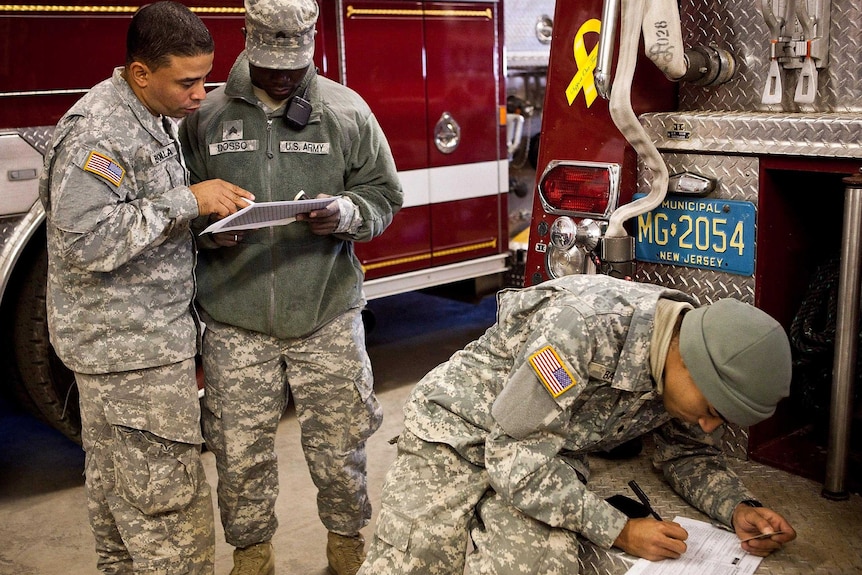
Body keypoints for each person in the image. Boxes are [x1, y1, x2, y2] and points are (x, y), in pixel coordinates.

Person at [358, 274, 799, 575]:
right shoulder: (582, 326)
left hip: (549, 450)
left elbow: (685, 453)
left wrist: (737, 507)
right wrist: (619, 530)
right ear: (687, 361)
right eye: (711, 412)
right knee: (415, 560)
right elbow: (513, 456)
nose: (706, 426)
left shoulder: (691, 359)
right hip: (457, 430)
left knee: (539, 566)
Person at [178, 0, 403, 573]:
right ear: (247, 43)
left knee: (341, 446)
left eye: (293, 64)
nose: (282, 75)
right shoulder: (205, 115)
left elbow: (384, 195)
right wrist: (208, 233)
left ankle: (347, 547)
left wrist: (348, 214)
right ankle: (252, 554)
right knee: (238, 452)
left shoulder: (346, 111)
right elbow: (176, 205)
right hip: (236, 319)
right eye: (270, 63)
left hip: (326, 312)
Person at [39, 2, 255, 573]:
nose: (200, 94)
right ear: (140, 73)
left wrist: (207, 229)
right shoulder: (100, 134)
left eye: (204, 78)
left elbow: (140, 218)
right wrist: (188, 200)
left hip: (133, 347)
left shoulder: (149, 113)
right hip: (132, 356)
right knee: (170, 520)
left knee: (120, 514)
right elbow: (84, 242)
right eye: (187, 81)